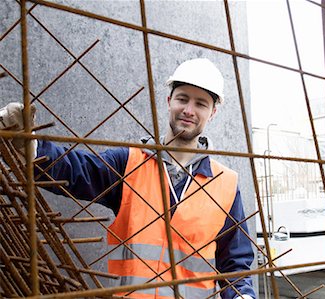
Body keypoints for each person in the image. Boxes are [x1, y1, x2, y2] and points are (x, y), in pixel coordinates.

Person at [0, 58, 255, 299]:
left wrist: (243, 295)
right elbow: (77, 169)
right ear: (169, 101)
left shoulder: (225, 183)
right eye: (182, 99)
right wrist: (31, 149)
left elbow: (235, 262)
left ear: (212, 113)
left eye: (200, 103)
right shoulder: (130, 163)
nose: (189, 110)